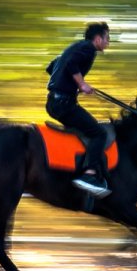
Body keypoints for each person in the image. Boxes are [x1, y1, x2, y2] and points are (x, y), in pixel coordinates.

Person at [45, 22, 112, 198]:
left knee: (83, 130)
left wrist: (68, 84)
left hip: (55, 102)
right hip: (64, 104)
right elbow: (71, 64)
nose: (108, 42)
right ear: (97, 38)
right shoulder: (88, 48)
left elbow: (52, 67)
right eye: (107, 38)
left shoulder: (76, 47)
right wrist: (81, 84)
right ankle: (89, 174)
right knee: (99, 133)